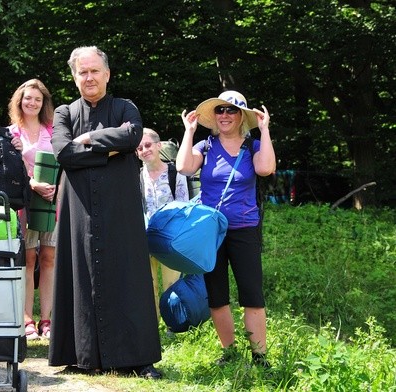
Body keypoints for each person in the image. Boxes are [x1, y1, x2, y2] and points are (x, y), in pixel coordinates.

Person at [49, 46, 162, 379]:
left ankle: (138, 358)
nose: (89, 77)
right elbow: (62, 152)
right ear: (74, 77)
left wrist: (89, 139)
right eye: (82, 72)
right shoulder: (64, 114)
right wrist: (108, 150)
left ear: (107, 73)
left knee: (129, 275)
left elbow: (132, 135)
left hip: (121, 207)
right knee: (79, 274)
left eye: (94, 71)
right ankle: (80, 354)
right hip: (78, 207)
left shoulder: (125, 107)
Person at [176, 90, 276, 368]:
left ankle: (259, 358)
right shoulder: (205, 146)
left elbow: (266, 168)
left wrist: (264, 130)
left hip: (245, 229)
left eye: (231, 111)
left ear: (241, 116)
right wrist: (189, 131)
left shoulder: (253, 146)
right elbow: (183, 166)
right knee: (217, 294)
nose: (224, 115)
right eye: (220, 111)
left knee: (252, 294)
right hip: (211, 232)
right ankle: (230, 352)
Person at [7, 79, 56, 340]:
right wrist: (32, 183)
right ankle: (27, 319)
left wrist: (56, 187)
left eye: (37, 99)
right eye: (28, 98)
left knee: (49, 258)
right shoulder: (12, 132)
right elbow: (10, 171)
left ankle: (46, 319)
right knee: (27, 260)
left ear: (43, 103)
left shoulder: (54, 130)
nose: (32, 103)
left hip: (51, 203)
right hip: (24, 203)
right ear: (19, 101)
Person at [136, 128, 189, 315]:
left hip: (170, 239)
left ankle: (172, 324)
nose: (144, 150)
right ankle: (153, 324)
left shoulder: (176, 173)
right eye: (140, 147)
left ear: (159, 146)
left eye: (148, 145)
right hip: (146, 238)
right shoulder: (137, 177)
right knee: (148, 284)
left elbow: (184, 207)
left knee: (171, 284)